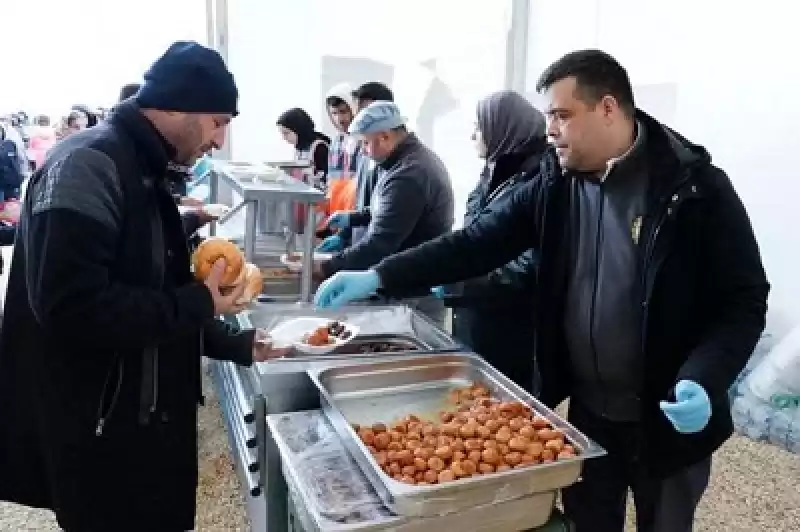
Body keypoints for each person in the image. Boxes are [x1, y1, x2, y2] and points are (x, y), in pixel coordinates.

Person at [313, 49, 769, 532]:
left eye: (561, 115)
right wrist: (381, 275)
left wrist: (705, 375)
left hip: (671, 414)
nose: (549, 129)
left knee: (666, 522)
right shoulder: (555, 182)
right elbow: (476, 243)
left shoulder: (696, 192)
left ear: (609, 109)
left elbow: (743, 299)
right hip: (591, 415)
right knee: (588, 521)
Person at [0, 41, 288, 532]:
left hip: (145, 418)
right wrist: (198, 302)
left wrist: (235, 342)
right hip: (102, 428)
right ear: (179, 104)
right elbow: (72, 307)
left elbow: (154, 288)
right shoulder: (88, 166)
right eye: (219, 122)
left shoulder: (144, 168)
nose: (220, 140)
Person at [433, 90, 546, 391]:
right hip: (473, 313)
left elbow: (527, 269)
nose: (473, 135)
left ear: (503, 127)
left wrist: (459, 283)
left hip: (508, 326)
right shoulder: (494, 171)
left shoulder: (537, 182)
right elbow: (472, 235)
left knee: (500, 409)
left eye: (479, 126)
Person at [316, 100, 454, 326]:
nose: (362, 150)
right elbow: (390, 209)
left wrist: (325, 267)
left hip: (414, 294)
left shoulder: (410, 173)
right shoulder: (400, 163)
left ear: (385, 137)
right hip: (404, 282)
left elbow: (380, 242)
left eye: (365, 143)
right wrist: (354, 217)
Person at [318, 82, 395, 252]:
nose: (340, 118)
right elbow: (366, 205)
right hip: (357, 236)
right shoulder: (356, 147)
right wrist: (344, 233)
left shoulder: (395, 161)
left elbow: (382, 214)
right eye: (334, 113)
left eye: (345, 112)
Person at [276, 107, 330, 176]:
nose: (284, 138)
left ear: (299, 130)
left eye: (286, 133)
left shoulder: (320, 147)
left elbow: (325, 178)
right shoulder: (299, 147)